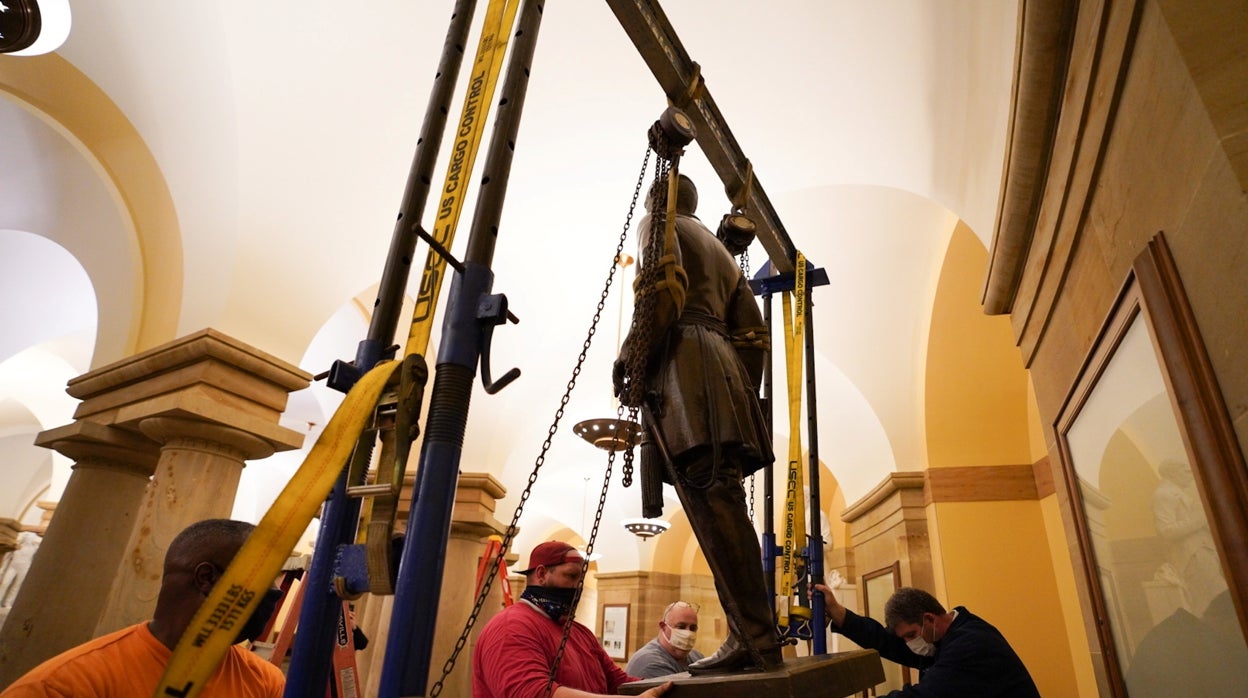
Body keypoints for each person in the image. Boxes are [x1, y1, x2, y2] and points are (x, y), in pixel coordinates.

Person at [614, 173, 782, 674]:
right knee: (724, 507)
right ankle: (753, 634)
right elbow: (753, 336)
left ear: (657, 198)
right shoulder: (723, 251)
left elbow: (661, 286)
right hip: (722, 371)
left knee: (715, 508)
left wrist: (632, 355)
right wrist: (739, 390)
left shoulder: (656, 222)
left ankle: (754, 637)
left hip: (686, 371)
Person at [1, 519, 285, 697]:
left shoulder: (263, 680)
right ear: (207, 578)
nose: (274, 592)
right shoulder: (64, 686)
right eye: (263, 577)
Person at [471, 540, 671, 698]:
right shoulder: (512, 627)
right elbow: (532, 693)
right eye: (571, 576)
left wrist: (675, 687)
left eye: (581, 579)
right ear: (541, 574)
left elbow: (618, 681)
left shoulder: (579, 632)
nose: (578, 587)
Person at [812, 584, 1039, 697]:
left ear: (929, 618)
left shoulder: (970, 644)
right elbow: (886, 640)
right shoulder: (940, 637)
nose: (910, 643)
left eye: (911, 635)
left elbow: (922, 697)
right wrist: (840, 614)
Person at [625, 601, 704, 678]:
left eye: (692, 628)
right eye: (681, 627)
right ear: (663, 626)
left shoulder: (697, 657)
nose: (688, 633)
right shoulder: (650, 663)